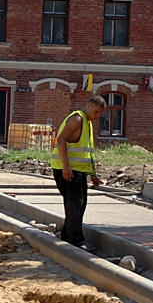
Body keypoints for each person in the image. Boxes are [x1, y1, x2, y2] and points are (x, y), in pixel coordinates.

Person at [50, 96, 106, 249]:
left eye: (100, 114)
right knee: (75, 204)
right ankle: (76, 241)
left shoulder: (87, 123)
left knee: (79, 204)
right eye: (96, 112)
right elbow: (61, 140)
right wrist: (66, 167)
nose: (97, 116)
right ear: (88, 106)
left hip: (78, 170)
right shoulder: (77, 119)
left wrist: (93, 175)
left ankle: (67, 236)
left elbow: (86, 153)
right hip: (68, 169)